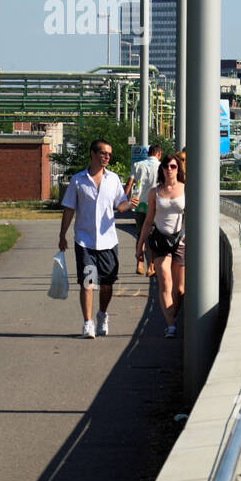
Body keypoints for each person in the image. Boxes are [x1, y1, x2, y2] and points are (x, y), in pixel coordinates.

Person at [59, 139, 131, 338]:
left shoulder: (114, 179)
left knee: (107, 284)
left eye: (109, 153)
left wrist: (131, 204)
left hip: (108, 241)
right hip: (85, 241)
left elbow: (120, 205)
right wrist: (62, 234)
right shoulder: (78, 180)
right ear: (92, 153)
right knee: (88, 282)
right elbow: (69, 209)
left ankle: (102, 314)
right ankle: (88, 323)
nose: (107, 156)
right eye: (103, 153)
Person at [136, 153, 186, 339]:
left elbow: (192, 215)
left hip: (180, 241)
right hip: (160, 240)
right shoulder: (155, 192)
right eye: (166, 167)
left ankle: (172, 313)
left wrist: (187, 236)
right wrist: (140, 245)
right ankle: (170, 325)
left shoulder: (185, 189)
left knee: (180, 289)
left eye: (173, 166)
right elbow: (149, 220)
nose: (170, 170)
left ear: (178, 169)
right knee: (165, 280)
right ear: (162, 170)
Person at [129, 144, 162, 276]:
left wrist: (127, 200)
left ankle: (139, 264)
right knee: (152, 237)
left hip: (139, 204)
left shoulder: (138, 165)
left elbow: (130, 182)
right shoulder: (161, 166)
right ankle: (151, 267)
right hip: (154, 204)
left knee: (140, 235)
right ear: (159, 154)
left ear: (149, 153)